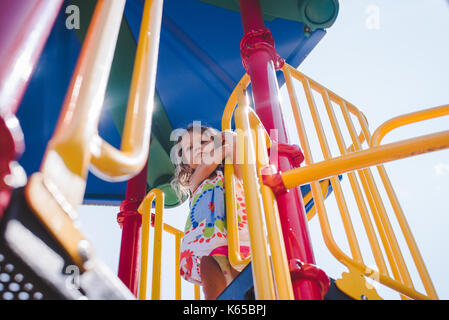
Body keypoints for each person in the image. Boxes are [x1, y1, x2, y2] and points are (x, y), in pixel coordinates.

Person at [170, 122, 250, 300]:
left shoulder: (230, 171)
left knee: (239, 267)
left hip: (234, 231)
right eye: (190, 148)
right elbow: (207, 164)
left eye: (203, 142)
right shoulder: (195, 181)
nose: (197, 148)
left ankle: (247, 299)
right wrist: (221, 147)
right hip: (205, 239)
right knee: (208, 267)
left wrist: (230, 135)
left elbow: (240, 165)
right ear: (186, 163)